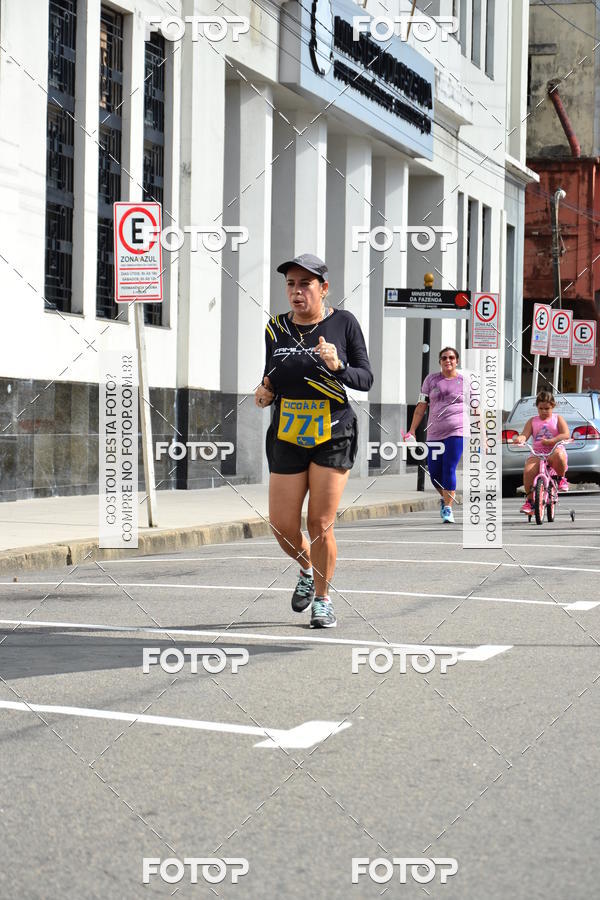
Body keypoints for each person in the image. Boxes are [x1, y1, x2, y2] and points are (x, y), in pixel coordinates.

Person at [255, 253, 373, 627]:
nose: (296, 291)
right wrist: (265, 390)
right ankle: (307, 569)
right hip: (288, 433)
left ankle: (323, 599)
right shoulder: (275, 328)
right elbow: (272, 376)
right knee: (282, 524)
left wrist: (337, 366)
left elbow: (365, 379)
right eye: (290, 284)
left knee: (319, 522)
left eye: (305, 284)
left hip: (333, 430)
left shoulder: (344, 323)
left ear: (324, 288)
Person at [406, 347, 465, 524]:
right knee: (434, 473)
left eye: (452, 358)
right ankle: (446, 497)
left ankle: (448, 508)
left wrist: (483, 435)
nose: (448, 360)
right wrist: (412, 430)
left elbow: (477, 409)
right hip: (434, 432)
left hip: (457, 431)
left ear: (457, 361)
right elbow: (421, 406)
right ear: (440, 361)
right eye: (444, 358)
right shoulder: (431, 380)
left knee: (449, 468)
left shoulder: (465, 381)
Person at [512, 390, 570, 515]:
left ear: (553, 406)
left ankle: (561, 479)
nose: (544, 411)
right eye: (541, 408)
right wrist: (520, 439)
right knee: (528, 471)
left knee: (559, 455)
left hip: (554, 450)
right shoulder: (532, 421)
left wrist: (552, 441)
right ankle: (530, 501)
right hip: (537, 453)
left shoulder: (557, 419)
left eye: (547, 408)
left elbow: (566, 434)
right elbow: (525, 434)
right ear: (537, 407)